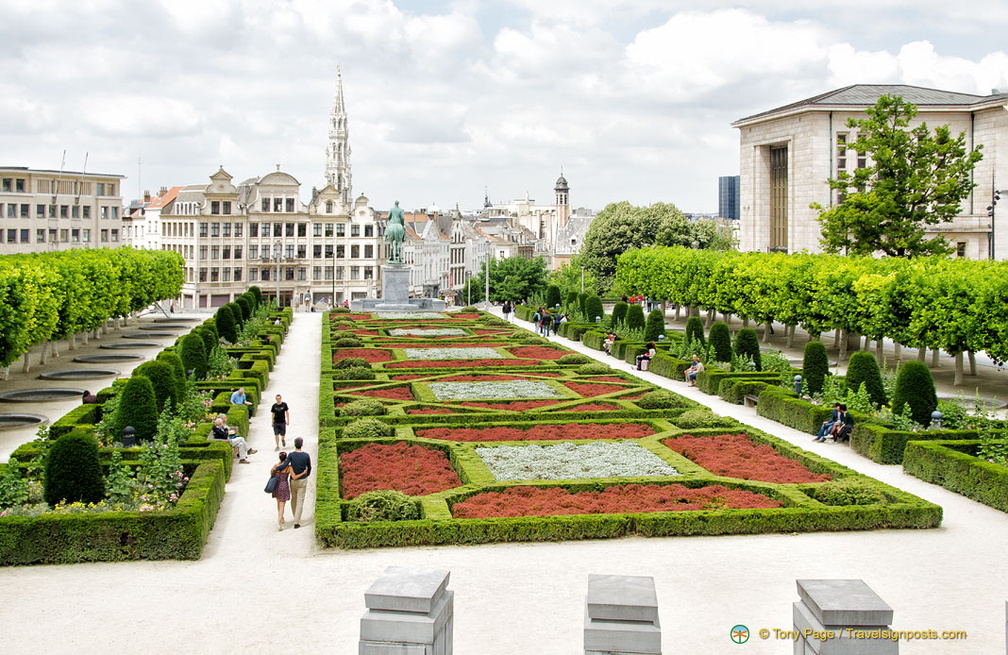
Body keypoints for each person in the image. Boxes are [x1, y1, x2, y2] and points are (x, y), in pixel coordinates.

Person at [286, 437, 312, 529]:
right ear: (302, 444)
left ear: (294, 444)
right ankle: (297, 521)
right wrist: (307, 475)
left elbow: (286, 464)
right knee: (300, 500)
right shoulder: (306, 455)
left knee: (294, 499)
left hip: (293, 480)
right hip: (302, 480)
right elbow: (309, 467)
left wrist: (276, 468)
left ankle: (295, 516)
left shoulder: (291, 455)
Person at [271, 452, 291, 531]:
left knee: (278, 503)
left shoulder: (276, 466)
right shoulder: (288, 467)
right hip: (284, 485)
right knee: (282, 504)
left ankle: (281, 517)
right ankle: (279, 522)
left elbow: (271, 474)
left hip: (276, 485)